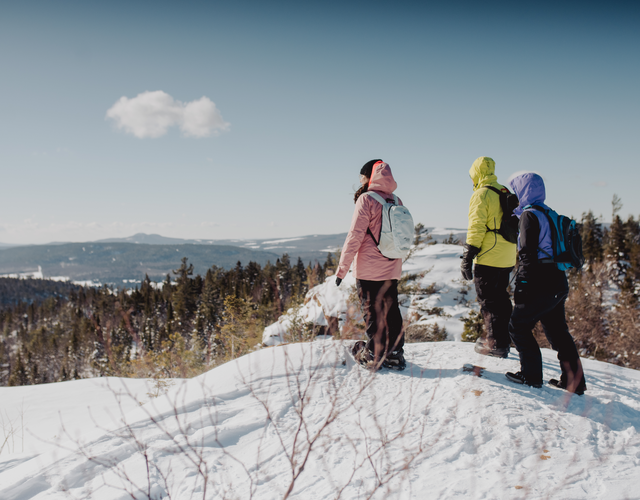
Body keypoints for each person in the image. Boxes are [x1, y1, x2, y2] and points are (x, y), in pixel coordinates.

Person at [505, 172, 587, 394]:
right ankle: (574, 382)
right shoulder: (549, 213)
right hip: (557, 280)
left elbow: (528, 254)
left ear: (523, 190)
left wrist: (522, 283)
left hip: (538, 279)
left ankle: (530, 375)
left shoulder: (529, 215)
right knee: (558, 332)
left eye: (516, 190)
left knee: (517, 326)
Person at [335, 159, 405, 371]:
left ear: (369, 177)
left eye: (362, 178)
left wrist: (342, 269)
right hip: (391, 266)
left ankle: (373, 354)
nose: (361, 181)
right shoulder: (396, 200)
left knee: (371, 311)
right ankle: (394, 354)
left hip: (368, 269)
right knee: (392, 310)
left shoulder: (366, 199)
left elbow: (355, 236)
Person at [461, 157, 517, 358]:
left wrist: (469, 256)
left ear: (476, 173)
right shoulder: (504, 191)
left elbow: (476, 227)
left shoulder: (481, 194)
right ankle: (504, 338)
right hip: (507, 255)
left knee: (489, 301)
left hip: (489, 255)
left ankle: (495, 343)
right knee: (501, 298)